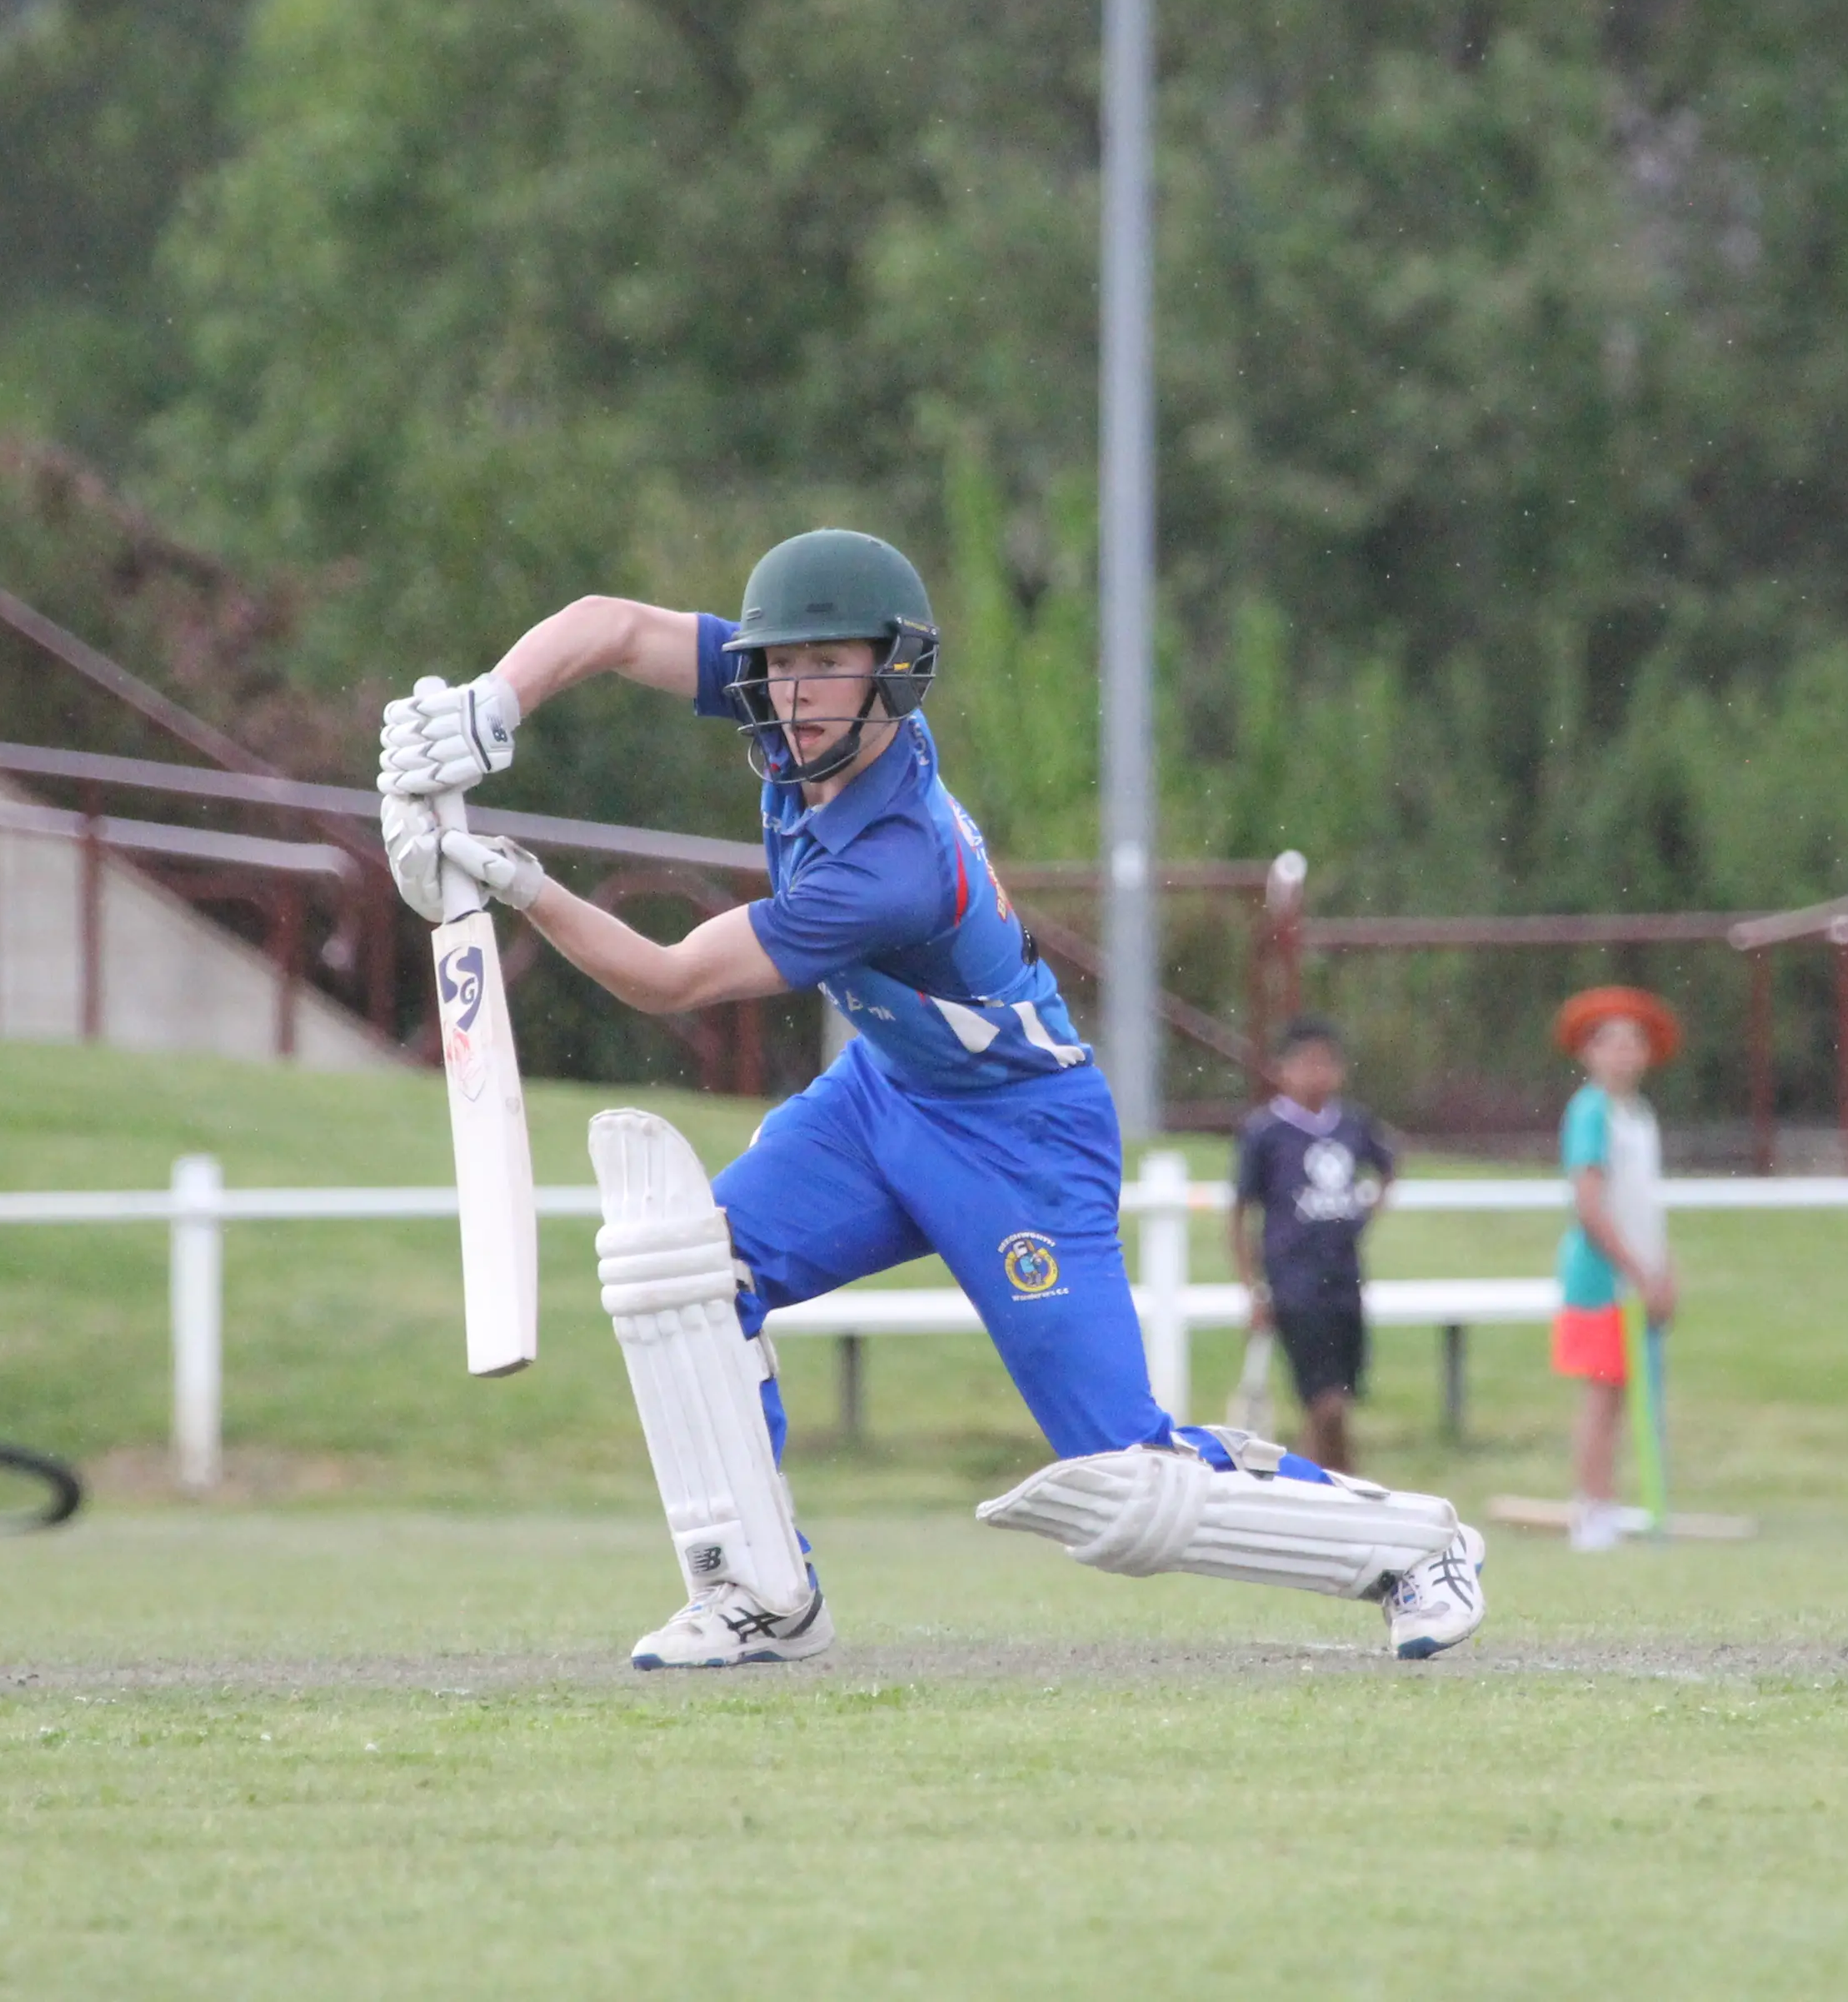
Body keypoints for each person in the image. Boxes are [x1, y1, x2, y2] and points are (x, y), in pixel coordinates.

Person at [374, 530, 1484, 1666]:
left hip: (1020, 1136)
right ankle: (763, 1594)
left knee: (1123, 1475)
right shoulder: (791, 707)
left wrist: (512, 880)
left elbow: (669, 980)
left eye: (826, 666)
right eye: (778, 663)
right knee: (688, 1271)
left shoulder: (893, 863)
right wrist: (487, 708)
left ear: (892, 673)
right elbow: (611, 626)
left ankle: (1415, 1548)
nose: (793, 693)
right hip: (883, 1098)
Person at [1227, 1019, 1395, 1473]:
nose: (1316, 1074)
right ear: (1283, 1070)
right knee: (1324, 1403)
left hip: (1345, 1276)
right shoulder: (1266, 1133)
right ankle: (1331, 1490)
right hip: (1295, 1283)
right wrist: (1252, 1290)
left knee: (1339, 1398)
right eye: (1305, 1064)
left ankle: (1331, 1493)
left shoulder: (1353, 1125)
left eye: (1326, 1064)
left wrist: (1364, 1213)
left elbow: (1388, 1166)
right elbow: (1241, 1214)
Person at [1548, 985, 1681, 1554]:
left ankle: (1622, 1502)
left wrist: (1664, 1269)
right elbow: (1591, 1203)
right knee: (1601, 1397)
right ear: (1588, 1052)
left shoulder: (1640, 1115)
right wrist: (1634, 1269)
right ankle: (1593, 1510)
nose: (1624, 1055)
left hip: (1639, 1277)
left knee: (1634, 1397)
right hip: (1601, 1279)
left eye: (1634, 1044)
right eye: (1611, 1044)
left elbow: (1643, 1203)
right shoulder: (1590, 1111)